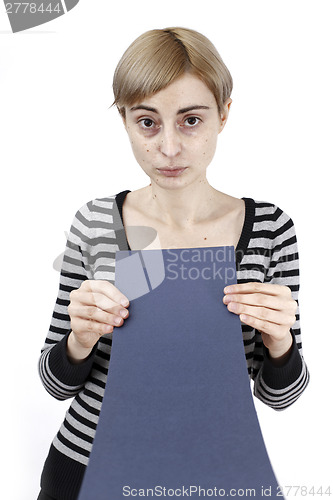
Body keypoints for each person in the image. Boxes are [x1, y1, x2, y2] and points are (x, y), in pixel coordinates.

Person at [37, 27, 310, 500]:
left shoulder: (270, 228)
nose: (168, 147)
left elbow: (279, 396)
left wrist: (281, 341)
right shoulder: (96, 222)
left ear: (224, 115)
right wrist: (79, 339)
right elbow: (54, 382)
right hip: (87, 465)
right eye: (147, 122)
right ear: (123, 120)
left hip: (217, 470)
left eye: (190, 120)